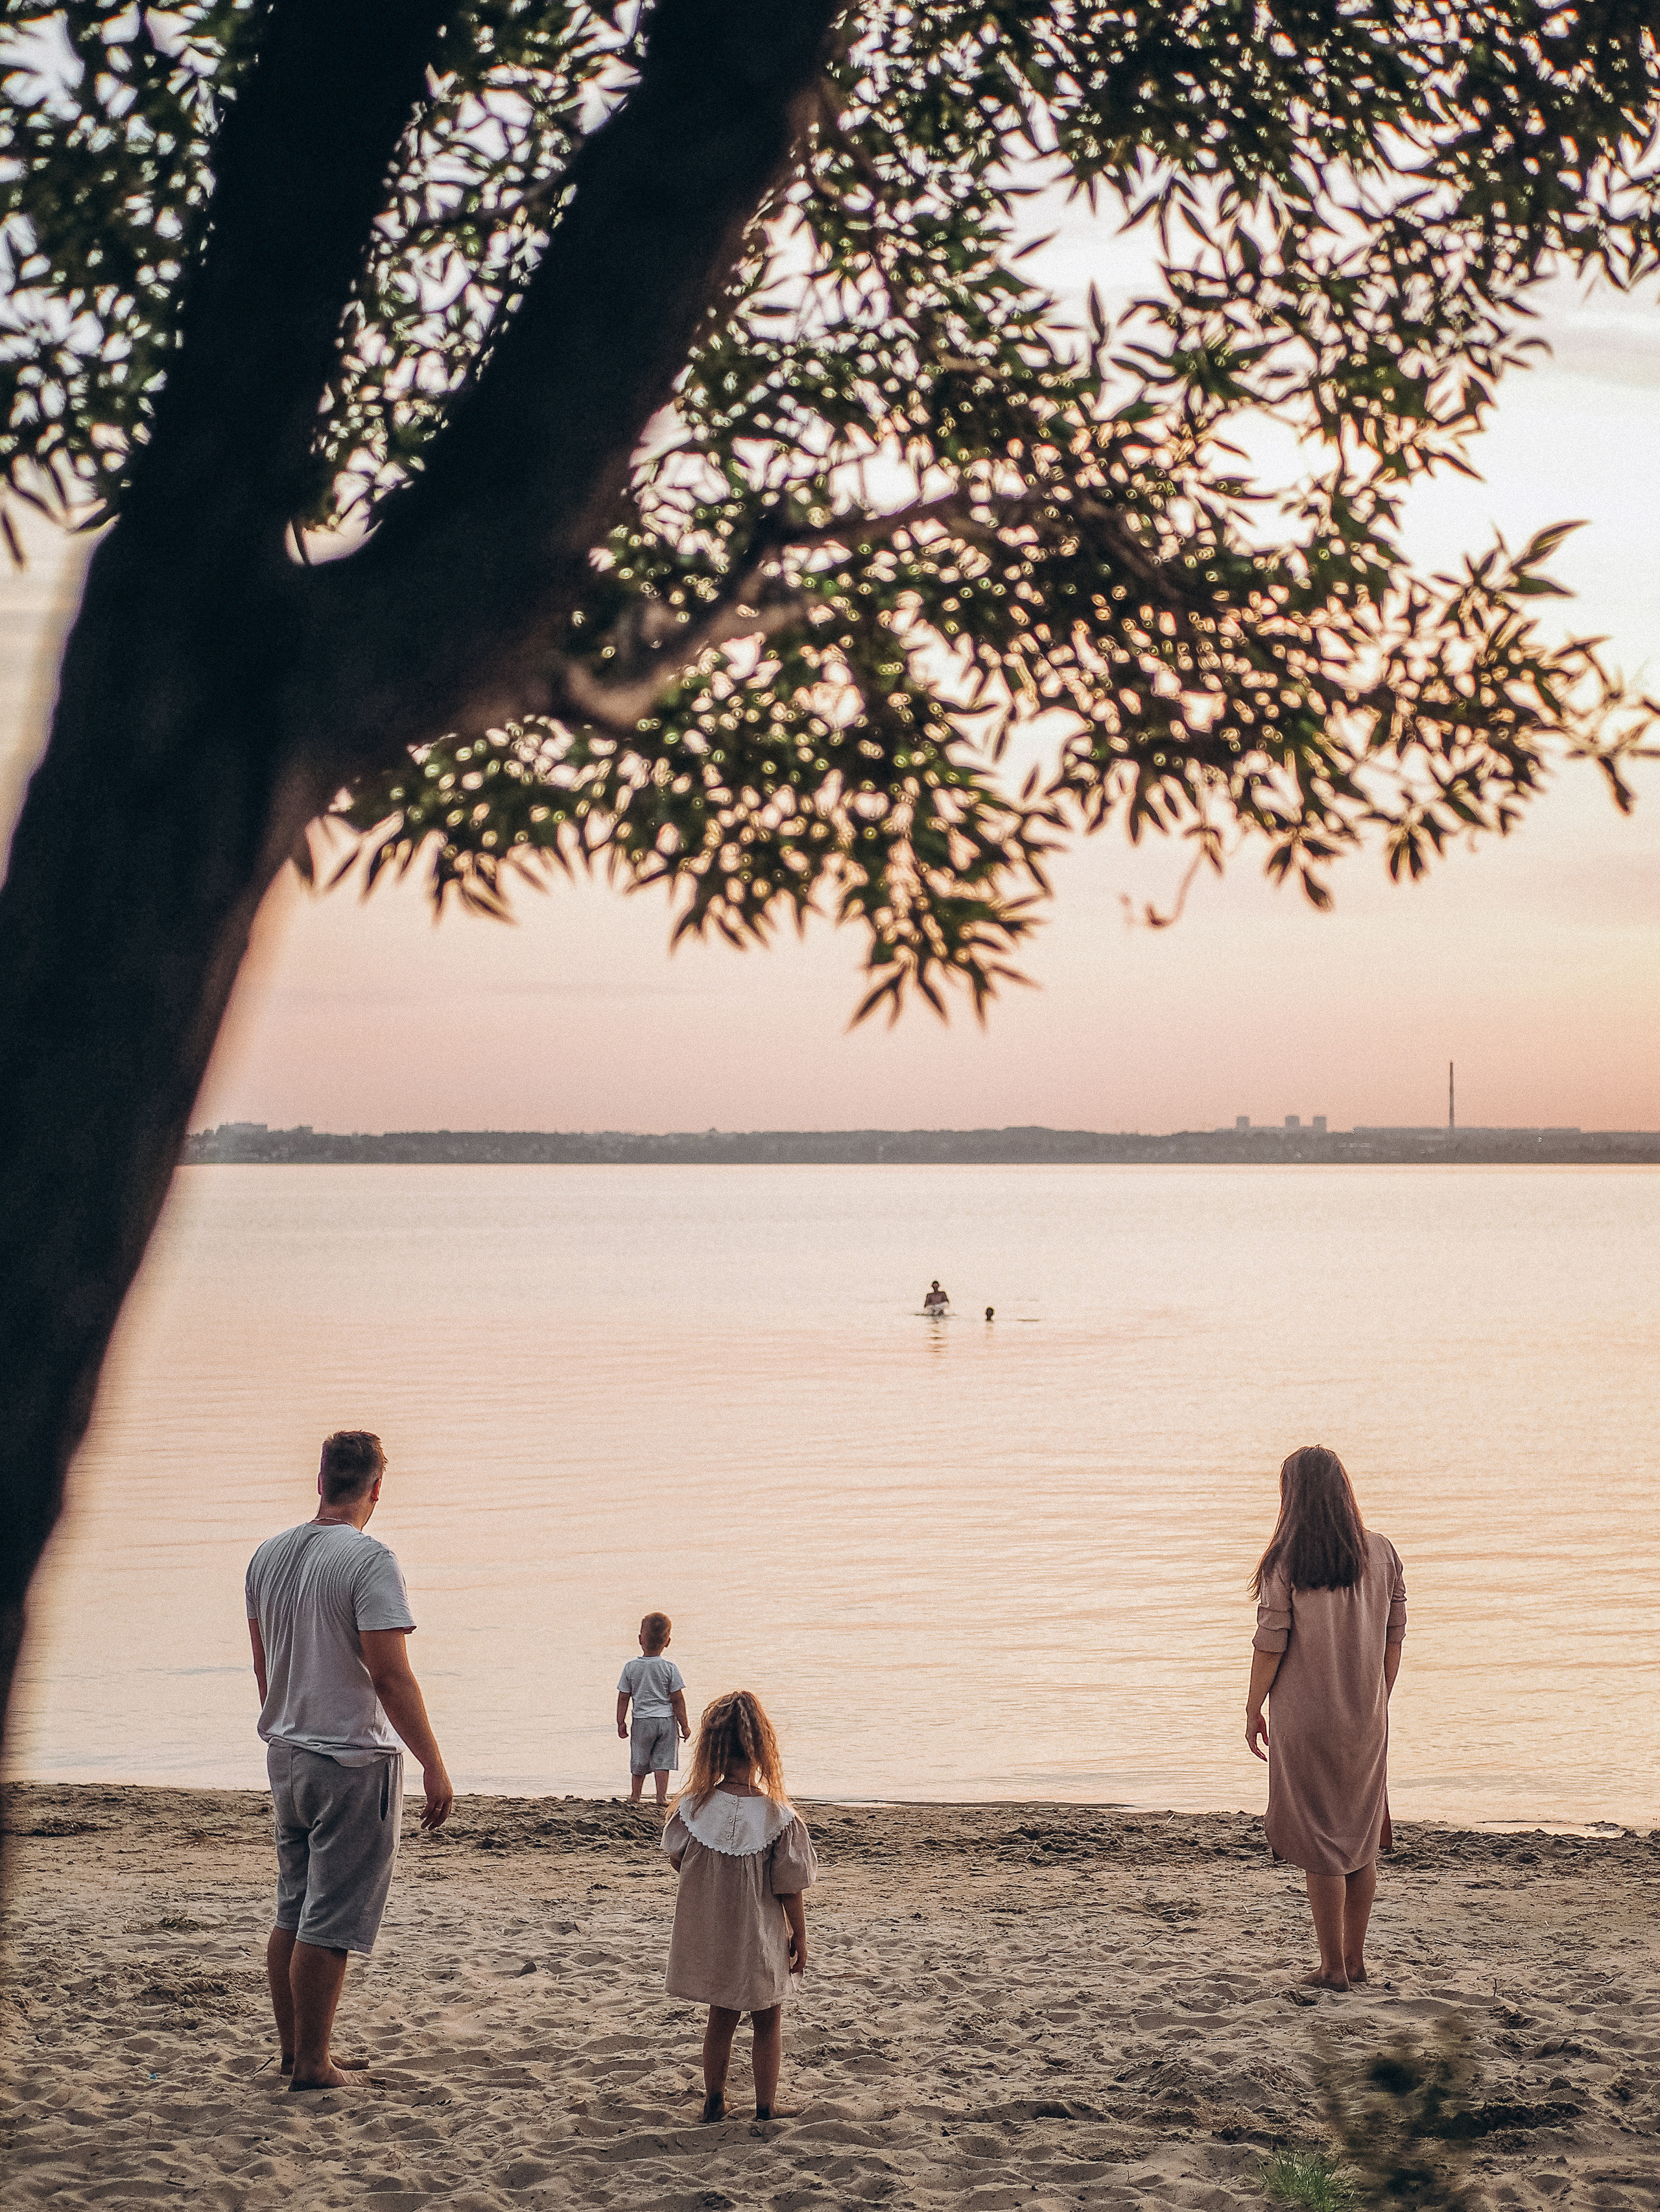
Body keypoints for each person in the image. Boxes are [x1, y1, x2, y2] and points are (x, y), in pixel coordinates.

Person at [246, 1430, 453, 2090]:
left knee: (294, 1907)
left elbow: (264, 1664)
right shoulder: (369, 1561)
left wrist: (286, 1722)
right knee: (329, 1918)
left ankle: (296, 2050)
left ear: (320, 1479)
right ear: (377, 1488)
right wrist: (433, 1762)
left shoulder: (267, 1555)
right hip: (350, 1758)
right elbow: (391, 1676)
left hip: (287, 1751)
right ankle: (313, 2064)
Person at [1244, 1444, 1406, 1990]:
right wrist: (1378, 1695)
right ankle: (1356, 1962)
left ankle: (1332, 1968)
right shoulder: (1382, 1553)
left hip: (1306, 1718)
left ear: (1293, 1498)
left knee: (1321, 1842)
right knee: (1358, 1840)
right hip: (1367, 1717)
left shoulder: (1287, 1561)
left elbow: (1270, 1644)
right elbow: (1394, 1635)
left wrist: (1251, 1708)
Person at [662, 1689, 817, 2123]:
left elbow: (679, 1859)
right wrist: (799, 1933)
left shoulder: (693, 1809)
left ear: (711, 1748)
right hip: (761, 1939)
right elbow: (790, 1886)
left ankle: (714, 2100)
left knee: (721, 2018)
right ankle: (765, 2107)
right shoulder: (777, 1817)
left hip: (715, 1935)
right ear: (763, 1747)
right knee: (768, 2021)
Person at [617, 1610, 691, 1806]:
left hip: (642, 1721)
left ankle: (635, 1796)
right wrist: (685, 1725)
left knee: (639, 1759)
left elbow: (624, 1697)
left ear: (640, 1639)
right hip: (666, 1721)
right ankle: (661, 1797)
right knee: (663, 1761)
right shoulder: (670, 1668)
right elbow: (678, 1700)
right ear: (667, 1642)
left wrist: (620, 1722)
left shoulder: (631, 1667)